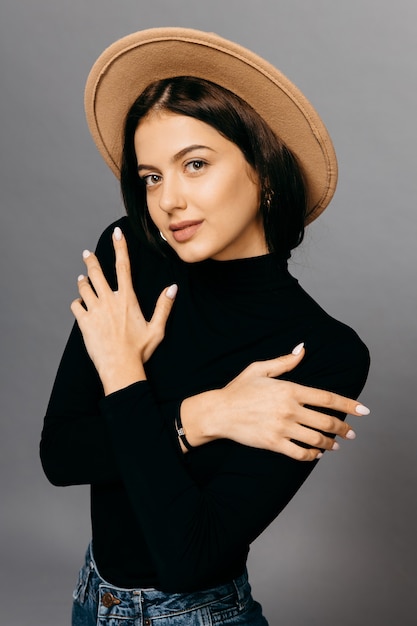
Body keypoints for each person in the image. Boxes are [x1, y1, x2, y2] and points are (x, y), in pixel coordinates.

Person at [40, 27, 370, 626]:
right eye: (152, 177)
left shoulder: (323, 351)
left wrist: (125, 382)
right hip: (91, 597)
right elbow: (60, 455)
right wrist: (205, 415)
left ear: (265, 172)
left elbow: (189, 555)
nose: (167, 200)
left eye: (194, 164)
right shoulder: (129, 255)